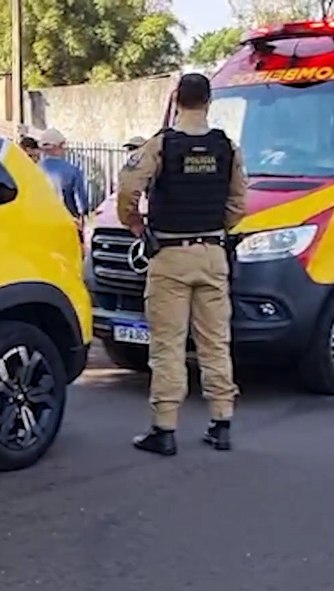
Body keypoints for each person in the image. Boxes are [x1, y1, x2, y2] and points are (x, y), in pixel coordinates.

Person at [115, 73, 247, 456]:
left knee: (168, 345)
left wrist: (134, 222)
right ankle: (221, 422)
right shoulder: (227, 148)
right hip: (212, 254)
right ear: (208, 101)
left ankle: (165, 428)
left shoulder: (160, 145)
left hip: (170, 256)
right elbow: (240, 201)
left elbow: (128, 188)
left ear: (176, 99)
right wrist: (215, 228)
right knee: (215, 343)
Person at [37, 128, 91, 230]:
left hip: (40, 222)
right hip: (67, 222)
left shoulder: (34, 169)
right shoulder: (73, 171)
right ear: (60, 145)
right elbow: (80, 202)